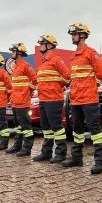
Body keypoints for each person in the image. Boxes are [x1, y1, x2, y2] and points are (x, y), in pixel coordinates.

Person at [66, 22, 102, 173]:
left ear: (82, 35)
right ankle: (77, 158)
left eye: (74, 34)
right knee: (76, 130)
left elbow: (101, 76)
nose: (72, 36)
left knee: (95, 130)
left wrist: (90, 87)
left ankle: (101, 163)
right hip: (76, 99)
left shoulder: (91, 53)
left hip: (89, 99)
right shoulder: (73, 56)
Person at [32, 34, 71, 164]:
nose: (40, 46)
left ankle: (60, 153)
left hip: (54, 99)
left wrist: (56, 86)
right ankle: (46, 152)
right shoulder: (43, 62)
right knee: (46, 128)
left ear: (49, 45)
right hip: (43, 99)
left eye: (42, 43)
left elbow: (67, 77)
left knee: (56, 127)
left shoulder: (56, 60)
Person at [8, 43, 38, 156]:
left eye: (13, 51)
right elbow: (15, 85)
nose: (12, 53)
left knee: (26, 126)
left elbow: (34, 81)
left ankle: (27, 148)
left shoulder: (25, 65)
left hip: (23, 102)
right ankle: (17, 145)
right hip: (15, 102)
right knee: (18, 126)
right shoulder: (15, 67)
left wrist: (27, 93)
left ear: (19, 52)